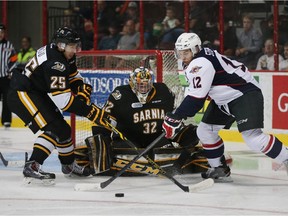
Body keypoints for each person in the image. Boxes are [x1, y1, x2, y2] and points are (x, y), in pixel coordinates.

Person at [162, 32, 288, 182]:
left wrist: (176, 116)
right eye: (180, 53)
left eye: (186, 52)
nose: (183, 57)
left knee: (252, 138)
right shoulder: (195, 59)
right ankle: (218, 168)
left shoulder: (200, 63)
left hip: (244, 94)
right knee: (205, 130)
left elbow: (196, 99)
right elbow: (195, 93)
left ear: (196, 49)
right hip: (224, 99)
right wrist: (178, 114)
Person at [7, 27, 108, 183]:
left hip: (34, 91)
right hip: (22, 93)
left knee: (63, 130)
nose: (75, 50)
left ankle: (68, 166)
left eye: (76, 46)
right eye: (72, 46)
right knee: (54, 129)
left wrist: (80, 87)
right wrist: (90, 112)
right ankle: (32, 166)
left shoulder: (64, 55)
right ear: (61, 45)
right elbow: (65, 103)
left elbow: (74, 76)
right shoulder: (55, 63)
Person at [81, 67, 207, 176]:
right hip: (129, 141)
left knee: (191, 133)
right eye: (140, 85)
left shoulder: (163, 91)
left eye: (146, 84)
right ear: (132, 84)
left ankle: (194, 155)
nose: (143, 88)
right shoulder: (119, 95)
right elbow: (107, 122)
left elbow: (173, 115)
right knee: (102, 139)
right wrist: (102, 143)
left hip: (156, 139)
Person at [0, 23, 17, 128]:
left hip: (5, 77)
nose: (0, 34)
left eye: (1, 32)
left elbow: (14, 59)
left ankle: (6, 120)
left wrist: (10, 72)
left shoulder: (9, 45)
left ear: (4, 33)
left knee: (6, 100)